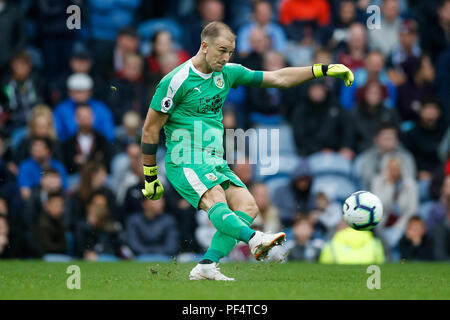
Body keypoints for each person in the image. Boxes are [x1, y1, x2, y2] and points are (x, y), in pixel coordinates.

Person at [140, 21, 354, 280]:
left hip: (213, 160)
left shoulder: (228, 73)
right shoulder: (176, 81)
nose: (226, 57)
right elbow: (150, 129)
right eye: (221, 50)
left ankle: (207, 264)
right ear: (204, 46)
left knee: (248, 206)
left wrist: (322, 69)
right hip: (184, 159)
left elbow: (279, 78)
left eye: (230, 51)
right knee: (216, 200)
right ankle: (255, 239)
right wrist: (150, 175)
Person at [53, 73, 114, 142]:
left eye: (83, 91)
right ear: (69, 92)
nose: (79, 94)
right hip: (68, 148)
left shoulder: (101, 109)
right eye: (76, 91)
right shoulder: (60, 110)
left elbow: (108, 135)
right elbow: (57, 134)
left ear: (90, 92)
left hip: (98, 147)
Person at [359, 123, 416, 190]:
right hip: (375, 193)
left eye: (391, 138)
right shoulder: (368, 156)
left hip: (400, 192)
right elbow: (368, 180)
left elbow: (410, 176)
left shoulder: (405, 156)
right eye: (386, 138)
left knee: (410, 184)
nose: (389, 141)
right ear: (376, 139)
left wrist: (396, 176)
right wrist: (385, 178)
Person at [62, 104, 112, 174]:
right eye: (81, 116)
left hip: (97, 175)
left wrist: (85, 160)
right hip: (77, 176)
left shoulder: (102, 139)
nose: (84, 119)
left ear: (93, 118)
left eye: (86, 117)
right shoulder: (69, 142)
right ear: (75, 119)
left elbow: (106, 161)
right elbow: (68, 165)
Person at [32, 191, 67, 257]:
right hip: (44, 257)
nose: (60, 209)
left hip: (58, 255)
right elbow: (45, 247)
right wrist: (60, 248)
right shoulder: (42, 223)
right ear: (47, 206)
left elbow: (64, 245)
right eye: (56, 205)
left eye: (61, 206)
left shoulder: (59, 222)